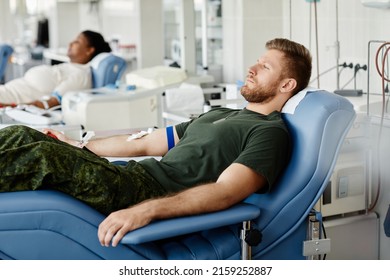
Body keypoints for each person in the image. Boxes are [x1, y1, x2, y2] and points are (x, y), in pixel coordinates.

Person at [0, 38, 312, 247]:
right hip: (125, 175)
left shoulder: (269, 133)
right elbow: (147, 143)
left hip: (142, 191)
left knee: (38, 155)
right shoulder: (220, 113)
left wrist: (145, 211)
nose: (252, 68)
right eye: (257, 62)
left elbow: (225, 193)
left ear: (286, 84)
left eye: (265, 67)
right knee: (28, 135)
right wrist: (78, 145)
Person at [0, 30, 111, 109]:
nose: (70, 43)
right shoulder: (68, 67)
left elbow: (50, 103)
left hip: (6, 101)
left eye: (77, 42)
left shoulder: (80, 75)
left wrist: (9, 107)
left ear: (89, 50)